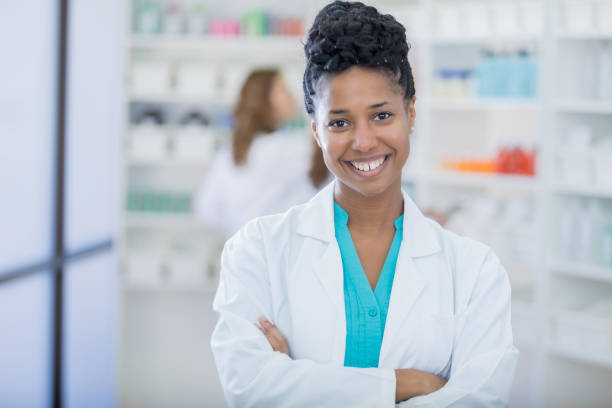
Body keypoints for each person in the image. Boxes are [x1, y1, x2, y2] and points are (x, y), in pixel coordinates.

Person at [211, 2, 518, 407]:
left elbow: (480, 399)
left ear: (410, 114)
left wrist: (301, 383)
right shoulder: (256, 251)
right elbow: (249, 387)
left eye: (382, 115)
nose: (364, 141)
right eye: (339, 122)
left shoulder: (475, 272)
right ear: (316, 130)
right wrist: (405, 384)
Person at [194, 68, 328, 238]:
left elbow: (206, 209)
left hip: (241, 252)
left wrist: (240, 229)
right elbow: (327, 180)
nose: (291, 96)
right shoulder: (283, 148)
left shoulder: (233, 150)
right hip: (277, 252)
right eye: (284, 90)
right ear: (265, 100)